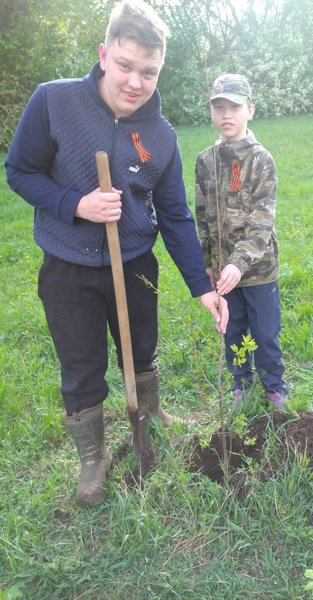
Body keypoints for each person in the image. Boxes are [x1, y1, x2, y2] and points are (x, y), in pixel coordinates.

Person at [5, 0, 228, 509]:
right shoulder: (53, 102)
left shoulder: (161, 135)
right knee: (81, 364)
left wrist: (202, 287)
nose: (135, 81)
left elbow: (174, 217)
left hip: (133, 265)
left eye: (148, 71)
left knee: (140, 350)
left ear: (159, 70)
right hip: (68, 267)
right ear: (105, 54)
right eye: (125, 65)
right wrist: (75, 204)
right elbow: (19, 171)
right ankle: (93, 458)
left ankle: (148, 416)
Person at [195, 74, 288, 412]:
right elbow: (202, 214)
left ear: (250, 109)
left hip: (258, 270)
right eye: (219, 107)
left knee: (264, 335)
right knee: (233, 331)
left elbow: (262, 220)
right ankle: (241, 385)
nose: (226, 115)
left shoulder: (262, 160)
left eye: (234, 107)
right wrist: (208, 261)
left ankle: (274, 388)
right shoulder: (205, 161)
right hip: (222, 273)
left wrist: (240, 262)